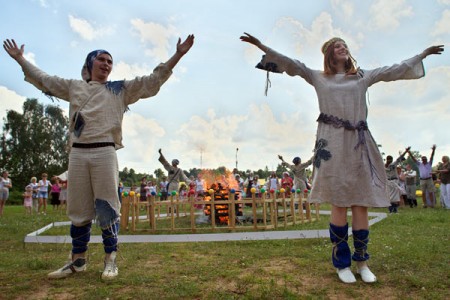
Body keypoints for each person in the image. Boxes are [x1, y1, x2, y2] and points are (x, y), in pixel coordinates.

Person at [240, 32, 444, 283]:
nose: (343, 48)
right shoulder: (318, 77)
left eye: (345, 45)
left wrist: (422, 54)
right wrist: (261, 45)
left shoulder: (362, 76)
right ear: (329, 53)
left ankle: (362, 262)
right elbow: (291, 64)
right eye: (337, 46)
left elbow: (394, 69)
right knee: (339, 202)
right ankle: (342, 264)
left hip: (359, 143)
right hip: (333, 143)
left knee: (360, 203)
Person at [3, 34, 194, 280]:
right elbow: (43, 79)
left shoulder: (120, 90)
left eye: (110, 61)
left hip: (105, 151)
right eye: (102, 59)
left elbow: (153, 80)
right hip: (78, 153)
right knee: (79, 209)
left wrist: (178, 54)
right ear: (90, 63)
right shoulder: (74, 87)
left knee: (107, 207)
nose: (106, 64)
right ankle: (77, 261)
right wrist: (20, 59)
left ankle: (110, 260)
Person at [384, 148, 409, 213]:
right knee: (392, 196)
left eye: (390, 159)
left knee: (394, 196)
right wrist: (406, 151)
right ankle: (392, 210)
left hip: (392, 181)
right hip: (390, 181)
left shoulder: (389, 165)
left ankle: (394, 210)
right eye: (389, 159)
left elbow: (399, 158)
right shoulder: (387, 165)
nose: (389, 160)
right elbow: (399, 158)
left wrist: (405, 152)